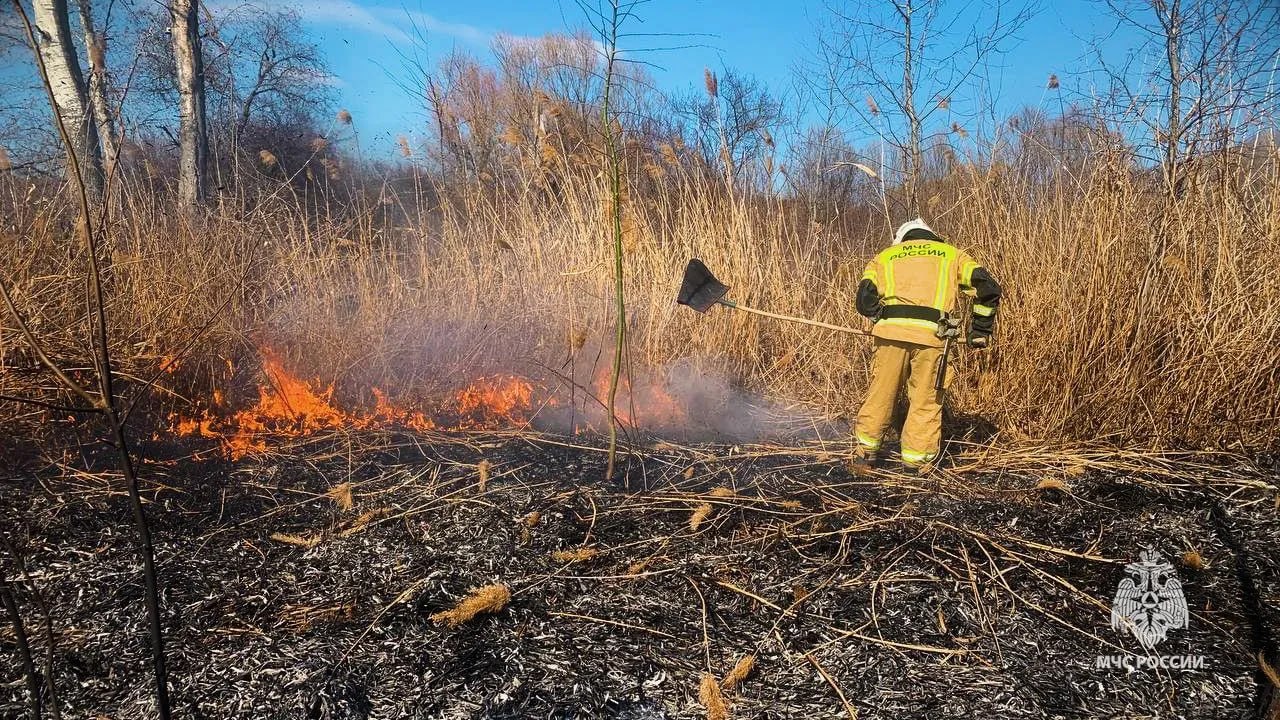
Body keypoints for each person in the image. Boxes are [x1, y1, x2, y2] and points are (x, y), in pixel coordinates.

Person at [852, 218, 1002, 474]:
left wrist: (883, 316)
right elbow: (988, 288)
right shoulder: (951, 255)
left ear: (903, 239)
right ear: (931, 237)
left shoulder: (885, 256)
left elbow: (864, 298)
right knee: (926, 399)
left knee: (881, 394)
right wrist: (979, 330)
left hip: (890, 334)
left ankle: (865, 455)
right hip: (932, 338)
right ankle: (915, 463)